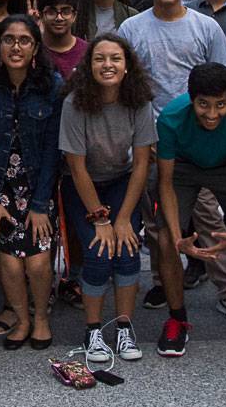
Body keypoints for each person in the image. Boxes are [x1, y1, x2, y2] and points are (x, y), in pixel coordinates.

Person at [119, 0, 226, 313]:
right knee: (158, 220)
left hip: (201, 137)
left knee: (207, 216)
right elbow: (128, 86)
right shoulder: (133, 28)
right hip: (153, 139)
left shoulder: (205, 26)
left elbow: (224, 81)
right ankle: (162, 281)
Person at [153, 64, 226, 359]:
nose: (212, 113)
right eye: (203, 104)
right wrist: (179, 236)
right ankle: (177, 319)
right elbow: (165, 183)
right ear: (191, 100)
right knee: (166, 237)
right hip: (183, 168)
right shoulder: (170, 118)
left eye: (220, 104)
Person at [59, 33, 155, 363]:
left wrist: (124, 218)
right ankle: (93, 331)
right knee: (99, 252)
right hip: (83, 185)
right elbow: (76, 164)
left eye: (115, 58)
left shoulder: (139, 100)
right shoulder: (75, 102)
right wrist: (101, 220)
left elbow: (142, 162)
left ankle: (124, 327)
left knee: (127, 251)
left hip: (121, 182)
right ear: (89, 65)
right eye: (100, 58)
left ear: (127, 66)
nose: (108, 65)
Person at [0, 16, 64, 350]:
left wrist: (41, 206)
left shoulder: (52, 84)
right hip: (0, 185)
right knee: (8, 262)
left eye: (25, 40)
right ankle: (22, 320)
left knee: (38, 261)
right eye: (9, 39)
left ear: (36, 47)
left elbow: (54, 150)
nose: (16, 47)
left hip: (38, 185)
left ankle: (40, 318)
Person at [36, 0, 88, 79]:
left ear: (74, 15)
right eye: (51, 12)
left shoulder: (87, 52)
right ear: (41, 15)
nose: (59, 18)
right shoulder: (33, 50)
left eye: (66, 11)